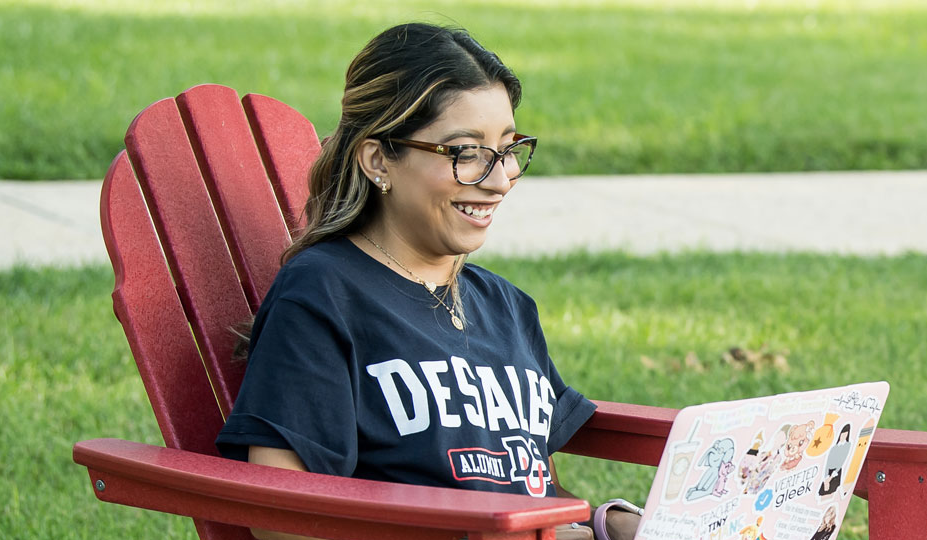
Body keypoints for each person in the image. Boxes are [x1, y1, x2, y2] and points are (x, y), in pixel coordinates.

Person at [214, 23, 639, 540]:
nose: (500, 179)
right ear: (378, 160)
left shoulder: (505, 307)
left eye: (507, 148)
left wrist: (606, 524)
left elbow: (534, 490)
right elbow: (282, 521)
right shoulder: (324, 295)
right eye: (466, 153)